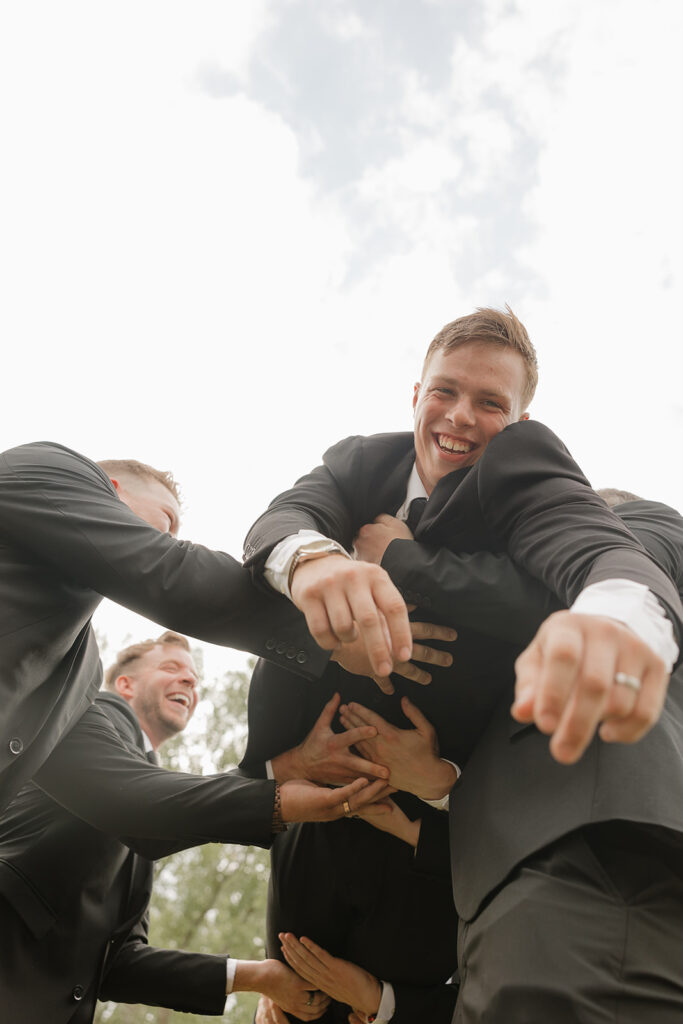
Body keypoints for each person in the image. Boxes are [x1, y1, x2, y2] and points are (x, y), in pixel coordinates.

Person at [241, 307, 683, 1022]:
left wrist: (405, 565)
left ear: (518, 420)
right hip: (317, 877)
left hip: (473, 879)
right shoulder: (359, 463)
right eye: (444, 391)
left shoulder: (531, 492)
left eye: (489, 403)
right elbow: (278, 522)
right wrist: (319, 564)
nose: (459, 416)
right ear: (413, 393)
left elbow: (592, 560)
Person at [0, 629, 395, 1023]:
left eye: (194, 677)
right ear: (125, 684)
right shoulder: (92, 712)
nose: (190, 679)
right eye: (172, 668)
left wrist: (257, 976)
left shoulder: (142, 795)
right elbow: (139, 802)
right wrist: (282, 786)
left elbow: (119, 964)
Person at [0, 441, 412, 817]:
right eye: (166, 522)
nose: (164, 538)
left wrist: (279, 788)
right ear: (111, 488)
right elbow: (168, 570)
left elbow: (118, 794)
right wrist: (329, 627)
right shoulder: (48, 468)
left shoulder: (80, 675)